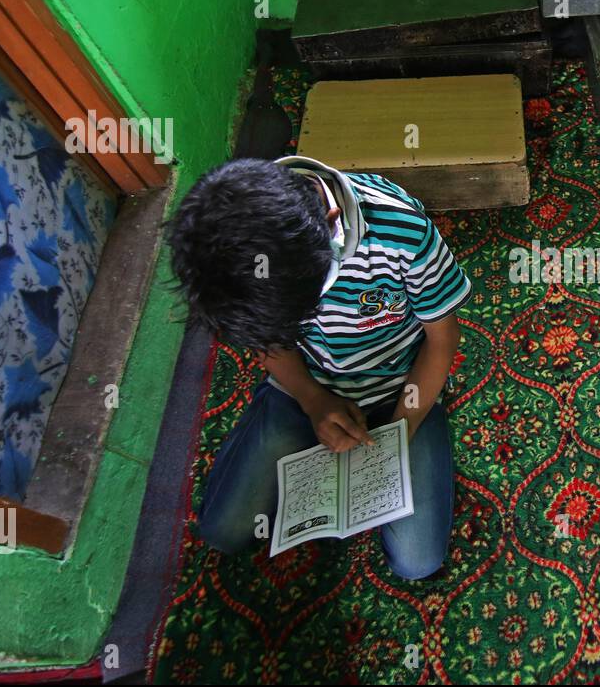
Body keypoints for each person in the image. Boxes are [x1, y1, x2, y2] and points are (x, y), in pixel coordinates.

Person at [166, 155, 468, 579]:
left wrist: (399, 432)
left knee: (417, 562)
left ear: (332, 226)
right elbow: (269, 343)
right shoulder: (235, 243)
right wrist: (312, 400)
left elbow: (442, 339)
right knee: (224, 532)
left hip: (400, 384)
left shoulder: (403, 230)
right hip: (300, 383)